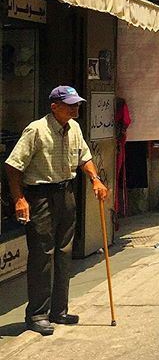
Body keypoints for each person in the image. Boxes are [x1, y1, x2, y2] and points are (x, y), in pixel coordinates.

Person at [4, 86, 109, 336]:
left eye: (77, 104)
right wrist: (19, 199)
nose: (75, 109)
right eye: (70, 105)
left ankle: (59, 310)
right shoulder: (36, 130)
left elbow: (84, 156)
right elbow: (13, 167)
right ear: (54, 106)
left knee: (64, 251)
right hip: (40, 196)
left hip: (66, 193)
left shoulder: (74, 128)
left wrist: (95, 178)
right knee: (42, 253)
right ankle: (37, 314)